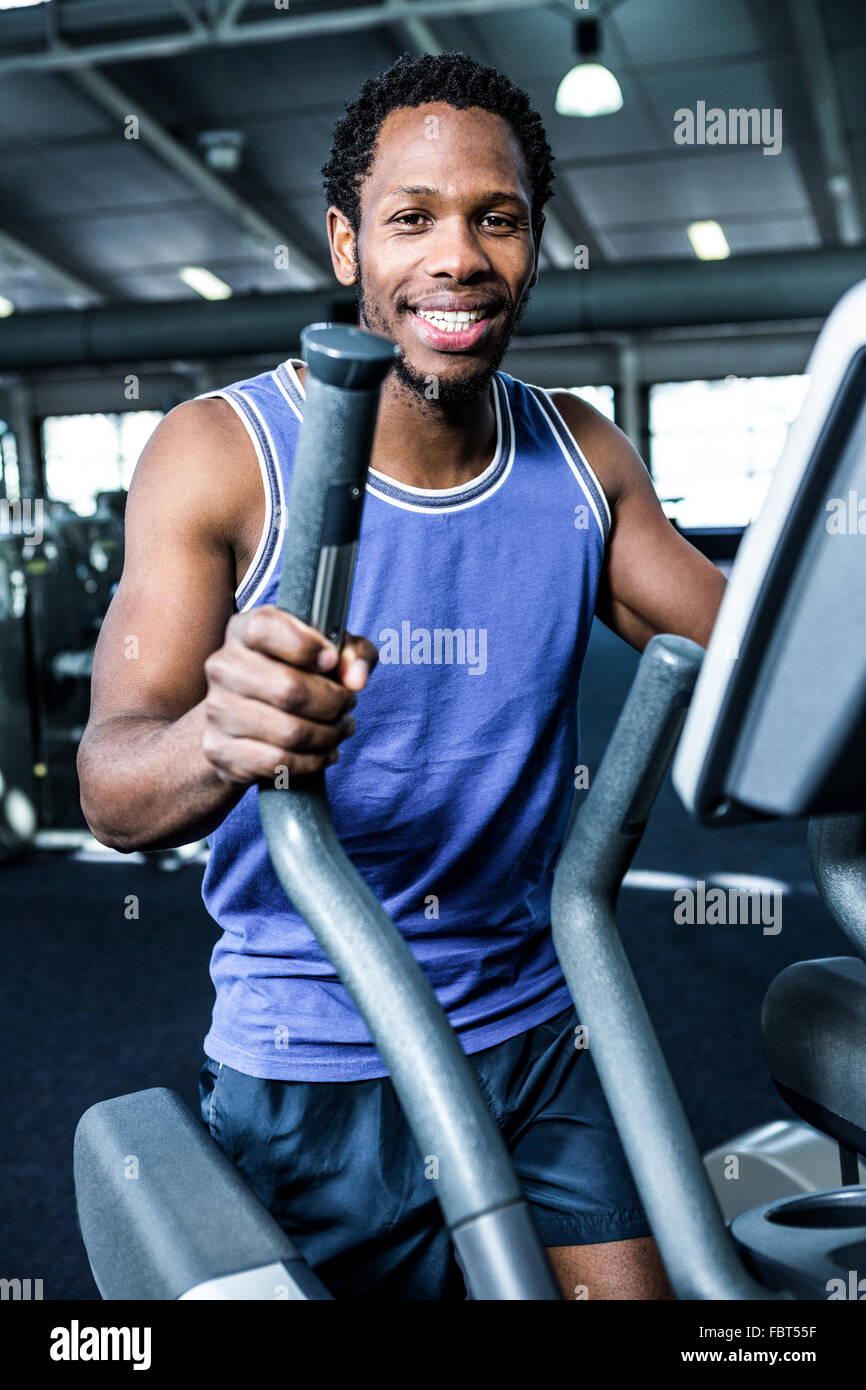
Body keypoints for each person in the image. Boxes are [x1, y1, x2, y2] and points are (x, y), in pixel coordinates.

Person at [78, 52, 726, 1301]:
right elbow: (111, 790)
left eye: (496, 217)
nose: (458, 257)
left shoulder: (581, 455)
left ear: (533, 241)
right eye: (411, 218)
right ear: (345, 243)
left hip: (537, 1029)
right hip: (310, 1060)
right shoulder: (219, 453)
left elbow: (760, 664)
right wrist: (218, 730)